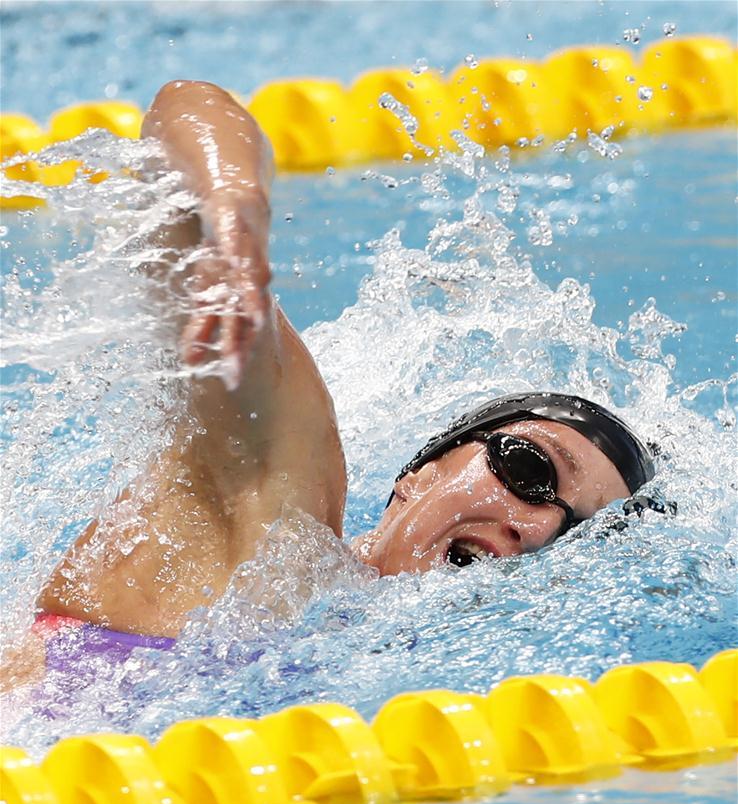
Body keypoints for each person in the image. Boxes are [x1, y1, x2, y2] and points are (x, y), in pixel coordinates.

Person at [2, 81, 655, 690]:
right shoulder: (273, 532)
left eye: (577, 534)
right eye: (529, 469)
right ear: (420, 474)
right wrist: (234, 212)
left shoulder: (428, 680)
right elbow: (186, 107)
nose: (539, 527)